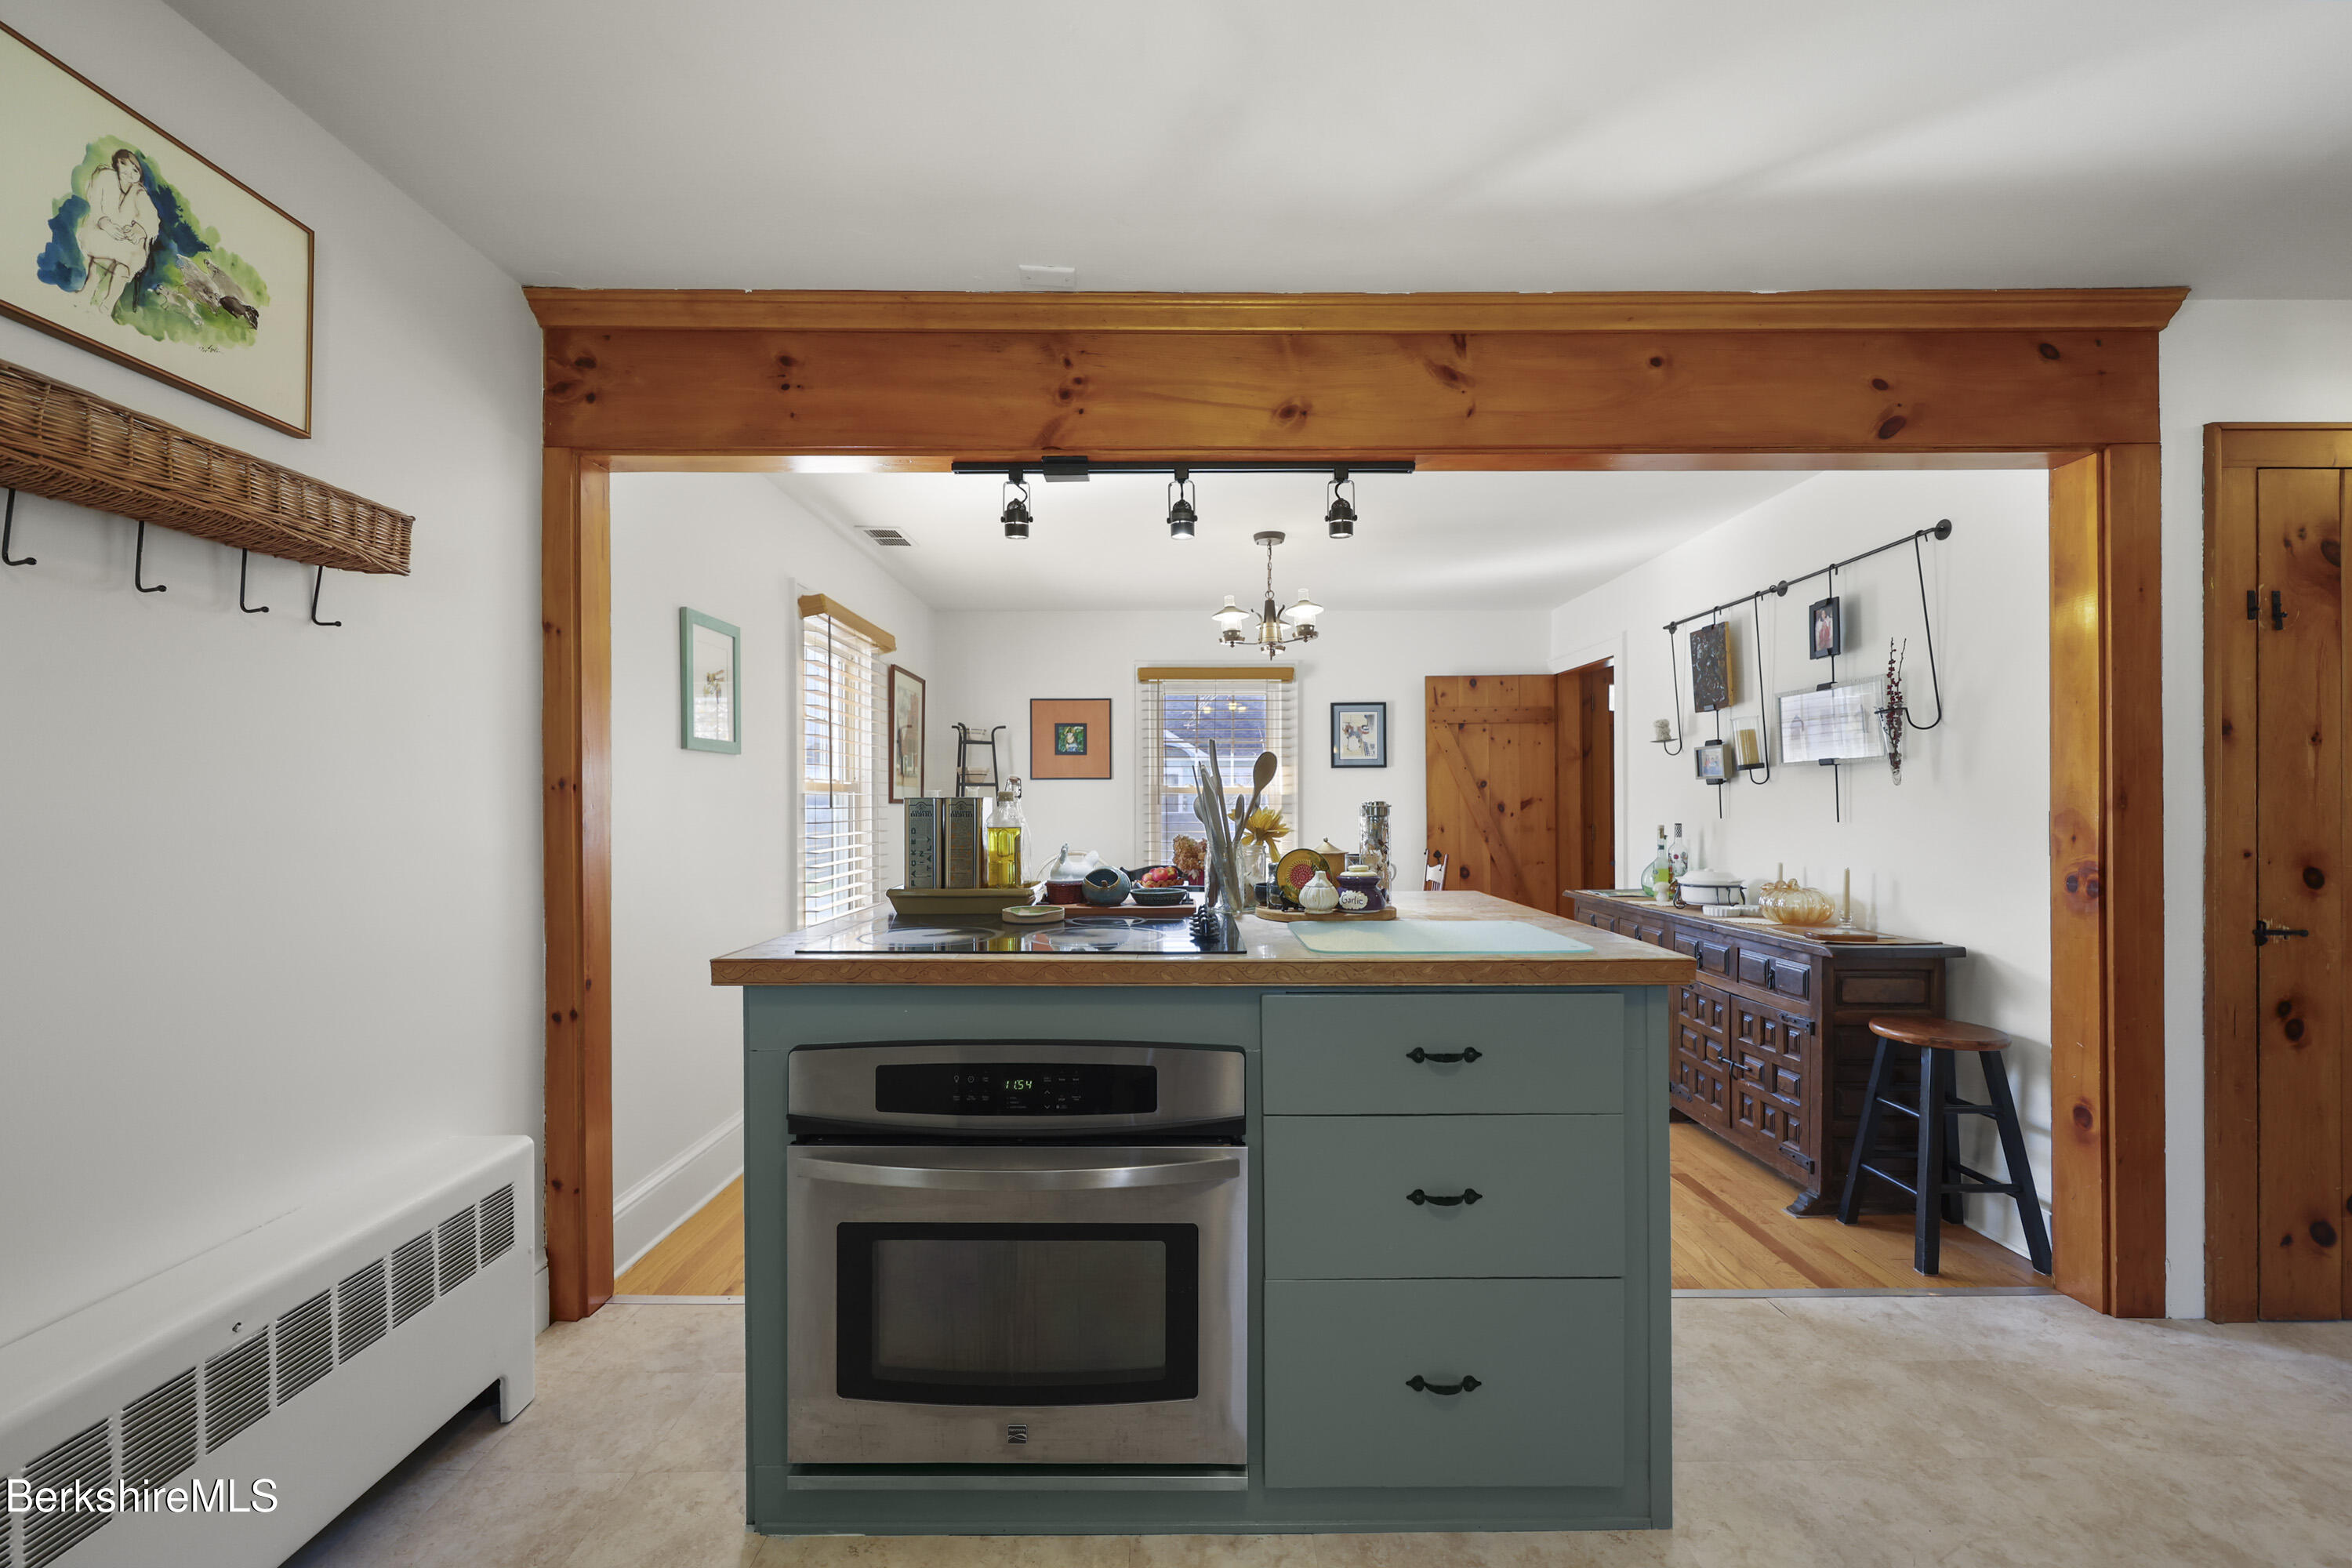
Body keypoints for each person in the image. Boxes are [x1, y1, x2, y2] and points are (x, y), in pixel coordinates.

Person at [76, 149, 158, 320]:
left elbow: (152, 220)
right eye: (125, 165)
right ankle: (88, 292)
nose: (129, 172)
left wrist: (139, 230)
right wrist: (105, 223)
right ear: (117, 164)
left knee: (123, 266)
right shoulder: (105, 177)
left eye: (135, 170)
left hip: (129, 244)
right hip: (103, 232)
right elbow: (95, 203)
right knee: (99, 258)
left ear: (139, 175)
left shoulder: (139, 193)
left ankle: (108, 303)